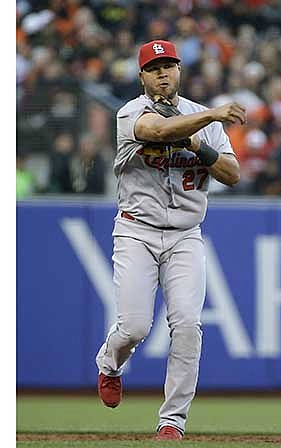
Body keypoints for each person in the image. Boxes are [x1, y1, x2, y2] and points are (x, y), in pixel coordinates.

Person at [95, 40, 246, 441]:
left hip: (185, 235)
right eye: (155, 68)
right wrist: (211, 116)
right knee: (133, 327)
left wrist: (199, 142)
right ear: (142, 76)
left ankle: (172, 420)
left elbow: (232, 174)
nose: (164, 73)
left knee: (188, 324)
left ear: (180, 71)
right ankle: (110, 364)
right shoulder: (130, 112)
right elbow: (157, 130)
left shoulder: (201, 118)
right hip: (136, 230)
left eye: (170, 66)